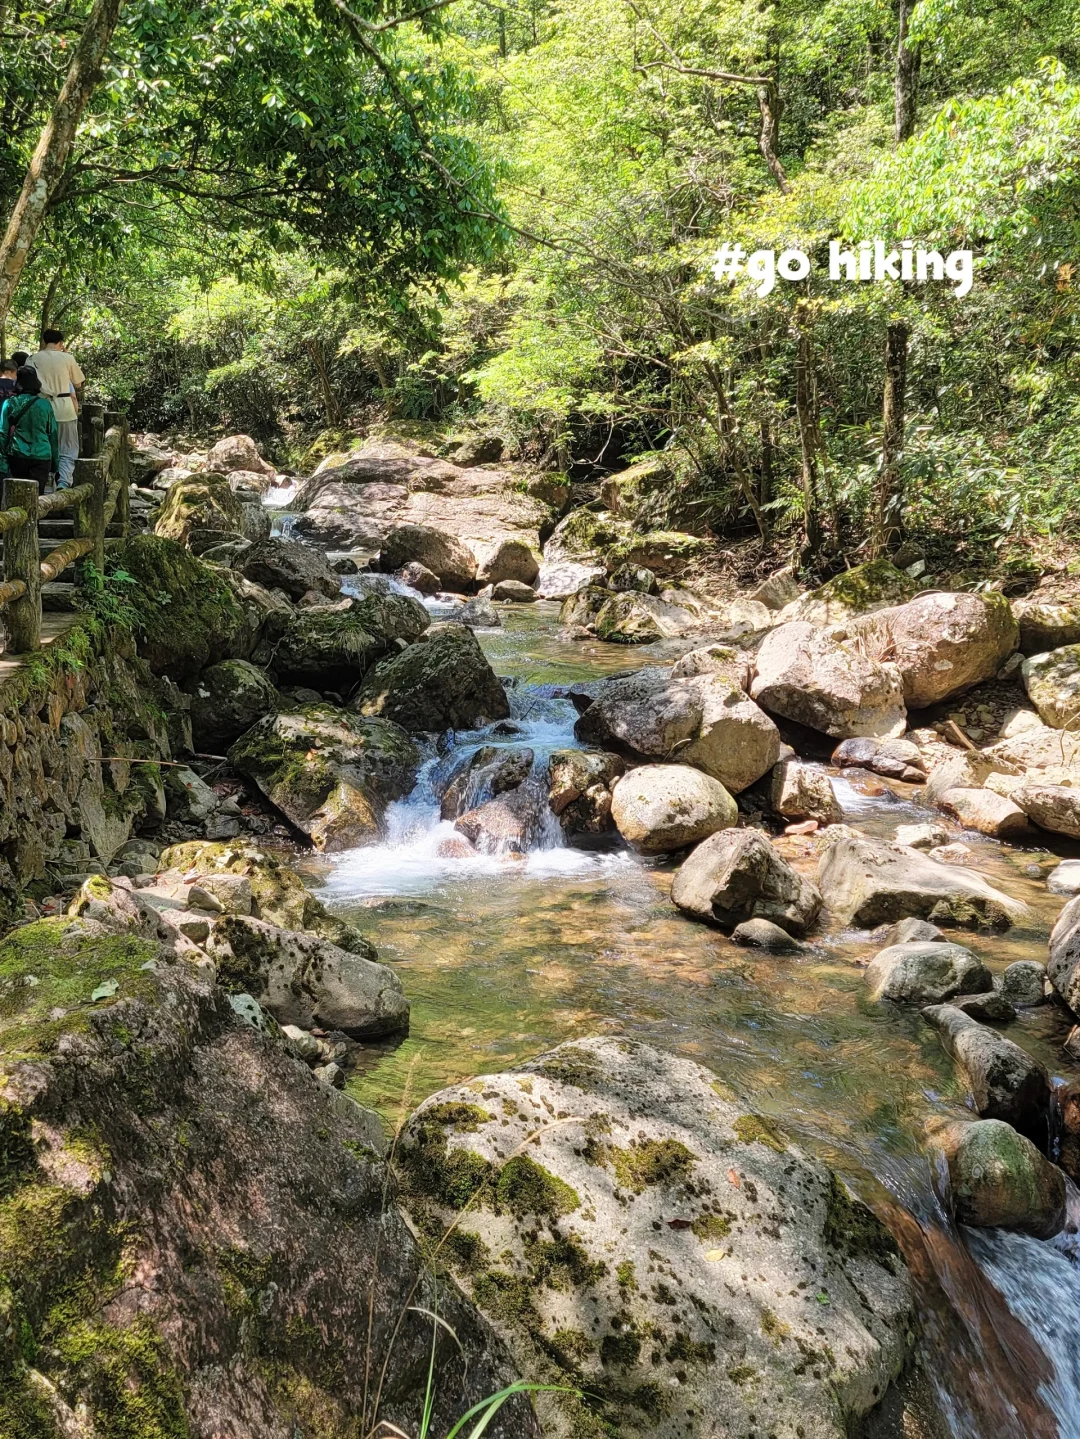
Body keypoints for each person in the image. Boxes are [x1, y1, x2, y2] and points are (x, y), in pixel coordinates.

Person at [28, 329, 83, 489]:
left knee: (43, 447)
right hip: (65, 407)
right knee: (68, 447)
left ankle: (45, 484)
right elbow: (78, 383)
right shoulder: (67, 358)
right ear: (60, 343)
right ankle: (64, 481)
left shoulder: (33, 359)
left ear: (44, 341)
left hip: (41, 408)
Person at [0, 366, 59, 491]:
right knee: (37, 496)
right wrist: (55, 463)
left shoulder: (10, 403)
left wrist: (3, 463)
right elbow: (52, 434)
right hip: (42, 456)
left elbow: (3, 433)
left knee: (17, 494)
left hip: (17, 455)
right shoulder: (45, 404)